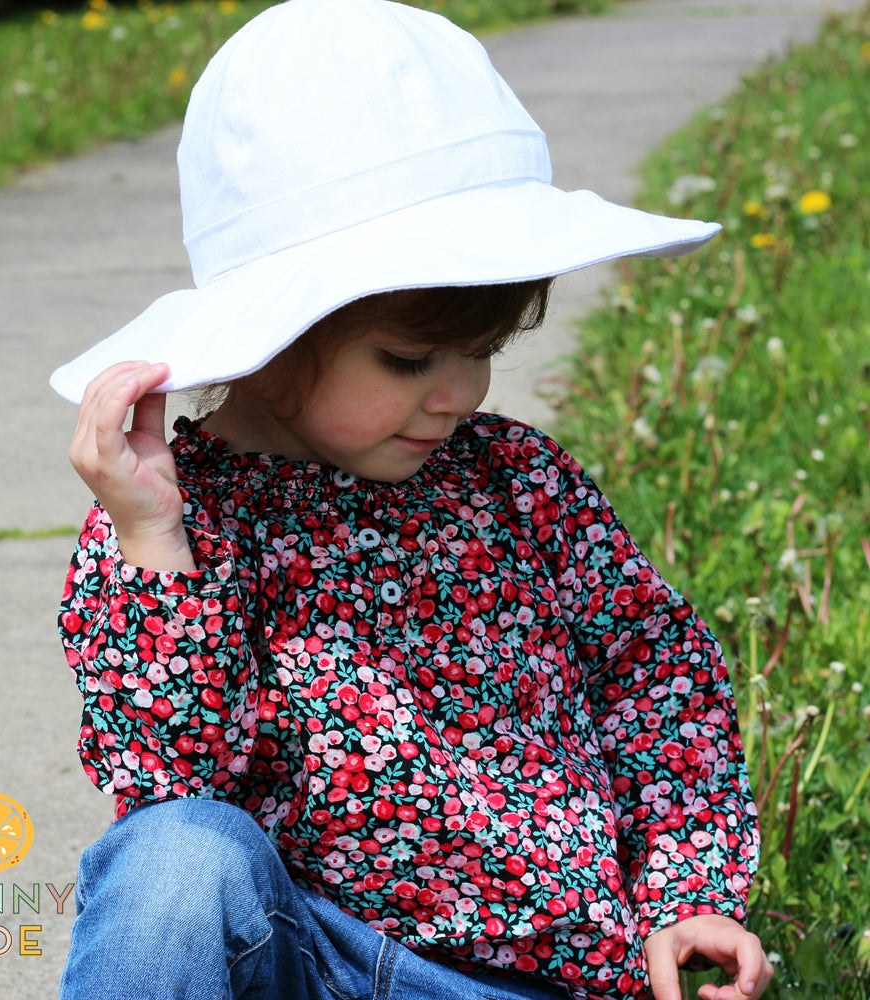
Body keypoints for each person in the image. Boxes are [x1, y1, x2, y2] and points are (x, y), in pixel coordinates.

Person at [50, 2, 773, 999]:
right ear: (271, 337)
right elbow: (174, 785)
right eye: (407, 357)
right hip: (301, 955)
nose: (459, 392)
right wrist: (151, 536)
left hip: (524, 973)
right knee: (172, 857)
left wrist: (686, 894)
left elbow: (652, 682)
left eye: (481, 350)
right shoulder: (179, 518)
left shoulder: (516, 484)